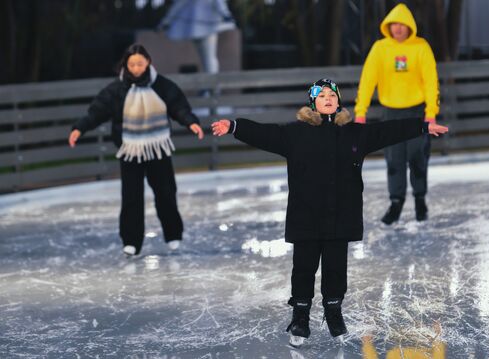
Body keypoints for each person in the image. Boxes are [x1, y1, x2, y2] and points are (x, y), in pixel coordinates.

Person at [211, 79, 448, 347]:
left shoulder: (353, 133)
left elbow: (387, 131)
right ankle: (300, 318)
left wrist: (422, 125)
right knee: (303, 269)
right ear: (313, 102)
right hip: (306, 216)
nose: (327, 99)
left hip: (340, 215)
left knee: (336, 270)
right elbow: (264, 133)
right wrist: (234, 126)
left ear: (338, 101)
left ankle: (333, 312)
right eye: (321, 95)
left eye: (332, 95)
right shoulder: (294, 134)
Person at [68, 44, 204, 256]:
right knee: (131, 196)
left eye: (140, 63)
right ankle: (131, 241)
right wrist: (79, 128)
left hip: (158, 148)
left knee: (166, 193)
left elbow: (178, 107)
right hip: (130, 150)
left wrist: (190, 122)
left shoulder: (161, 85)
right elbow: (97, 111)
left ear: (148, 62)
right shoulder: (117, 90)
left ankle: (173, 235)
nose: (136, 68)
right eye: (132, 64)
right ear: (126, 65)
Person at [354, 3, 440, 225]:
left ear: (410, 26)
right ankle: (396, 202)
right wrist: (360, 112)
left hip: (416, 112)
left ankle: (420, 199)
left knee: (417, 156)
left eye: (402, 25)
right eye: (394, 25)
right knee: (394, 159)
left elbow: (431, 81)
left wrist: (431, 112)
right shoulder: (380, 49)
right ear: (388, 27)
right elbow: (367, 81)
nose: (398, 29)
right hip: (391, 113)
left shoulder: (421, 47)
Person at [158, 0, 235, 76]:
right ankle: (210, 85)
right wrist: (166, 21)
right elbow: (179, 4)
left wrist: (225, 14)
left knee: (208, 59)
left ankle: (211, 85)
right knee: (207, 59)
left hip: (205, 27)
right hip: (200, 27)